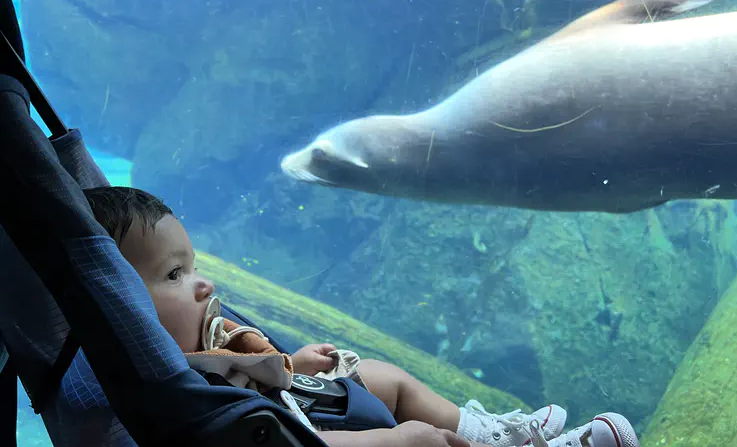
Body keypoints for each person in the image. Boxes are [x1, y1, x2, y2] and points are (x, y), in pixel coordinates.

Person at [83, 186, 640, 447]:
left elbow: (257, 370)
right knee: (419, 440)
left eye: (192, 265)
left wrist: (294, 361)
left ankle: (493, 435)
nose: (203, 282)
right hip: (282, 439)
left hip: (290, 410)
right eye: (173, 276)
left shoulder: (200, 340)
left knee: (384, 376)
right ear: (122, 306)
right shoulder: (167, 375)